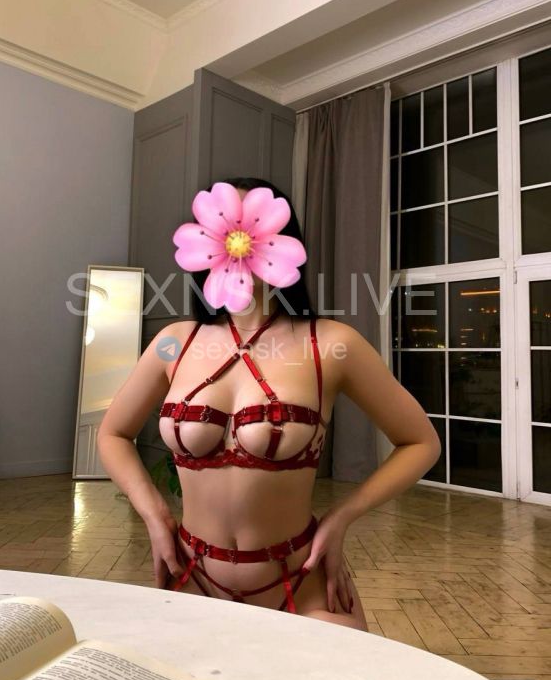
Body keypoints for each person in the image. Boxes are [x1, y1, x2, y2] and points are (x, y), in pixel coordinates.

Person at [97, 177, 441, 631]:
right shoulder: (174, 342)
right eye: (223, 228)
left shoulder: (331, 344)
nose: (237, 239)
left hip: (299, 581)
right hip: (191, 577)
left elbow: (421, 442)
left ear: (283, 239)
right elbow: (113, 432)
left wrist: (342, 517)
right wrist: (155, 515)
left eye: (254, 225)